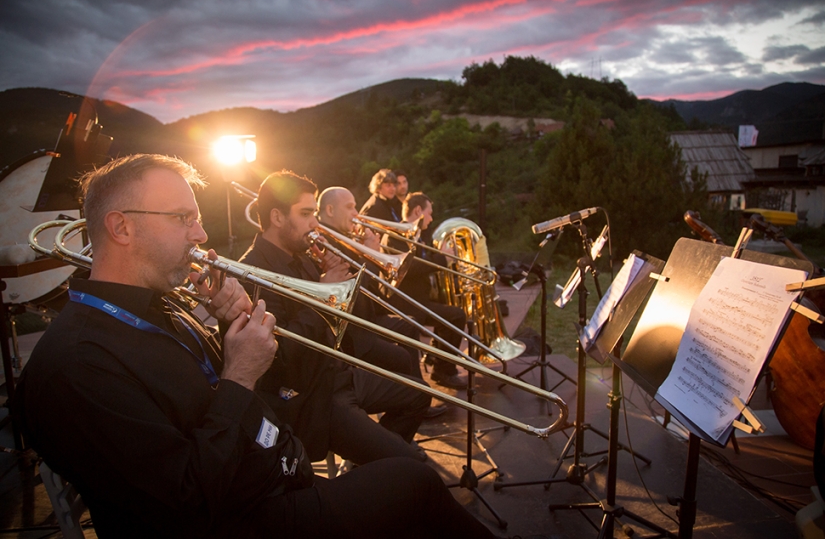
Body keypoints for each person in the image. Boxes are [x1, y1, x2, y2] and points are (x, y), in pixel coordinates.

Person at [15, 154, 501, 539]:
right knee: (414, 484)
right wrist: (240, 374)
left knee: (406, 483)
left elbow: (211, 390)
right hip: (239, 518)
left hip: (269, 475)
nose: (201, 234)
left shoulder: (161, 306)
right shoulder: (78, 363)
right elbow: (185, 500)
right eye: (183, 218)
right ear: (121, 228)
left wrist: (235, 323)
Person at [239, 171, 432, 466]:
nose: (314, 224)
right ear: (277, 217)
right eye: (306, 214)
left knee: (420, 395)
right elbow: (281, 355)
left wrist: (340, 280)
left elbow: (347, 318)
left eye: (314, 214)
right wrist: (324, 296)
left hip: (338, 373)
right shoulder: (251, 271)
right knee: (409, 464)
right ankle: (385, 464)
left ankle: (372, 464)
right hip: (313, 396)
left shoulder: (302, 256)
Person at [317, 187, 446, 418]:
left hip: (367, 315)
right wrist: (369, 255)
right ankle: (411, 400)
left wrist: (371, 256)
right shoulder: (325, 242)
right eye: (350, 207)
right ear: (329, 210)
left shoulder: (344, 237)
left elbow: (372, 287)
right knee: (401, 358)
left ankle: (416, 397)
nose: (356, 213)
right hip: (353, 328)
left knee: (409, 325)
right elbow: (352, 292)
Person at [389, 192, 469, 390]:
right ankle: (440, 372)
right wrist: (441, 259)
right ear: (418, 211)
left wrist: (440, 255)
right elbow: (408, 268)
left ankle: (439, 363)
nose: (431, 218)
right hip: (406, 303)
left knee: (454, 313)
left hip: (420, 300)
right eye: (429, 213)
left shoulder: (418, 234)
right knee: (455, 316)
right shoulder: (394, 235)